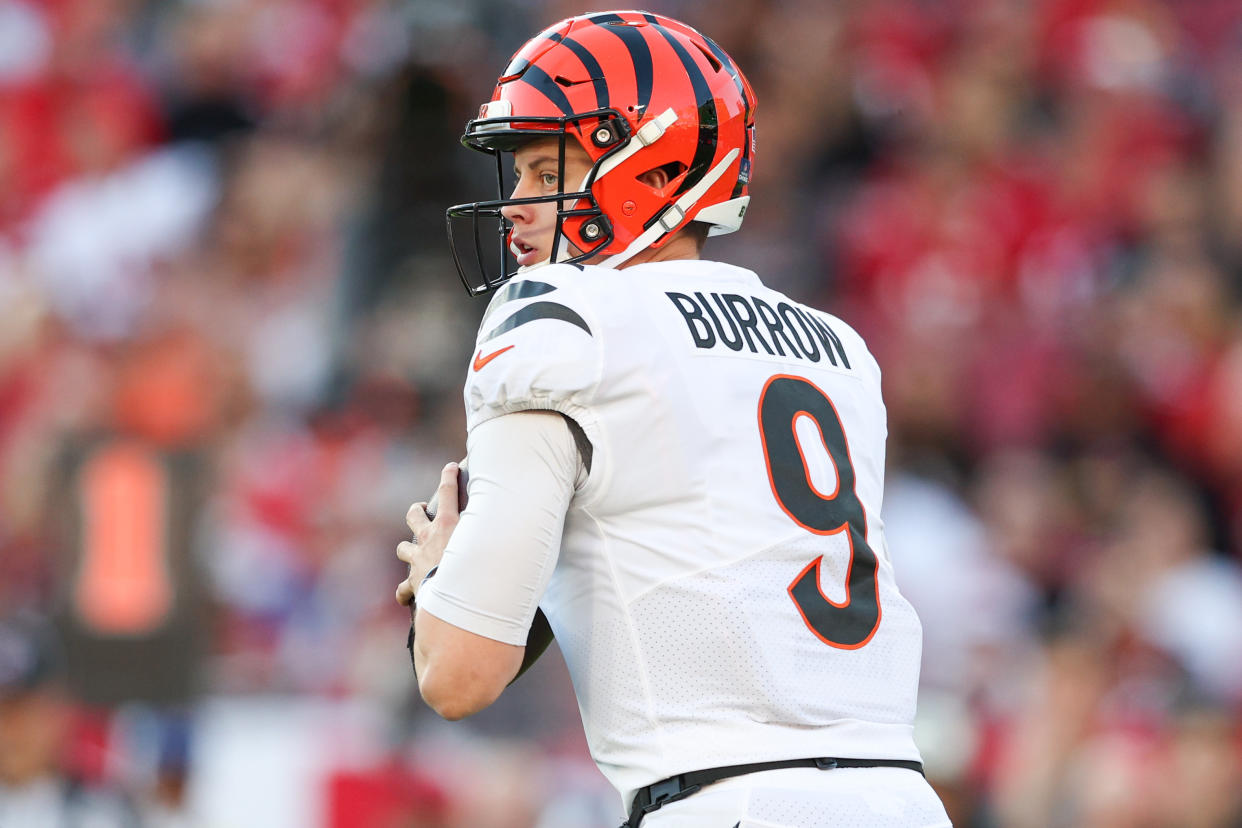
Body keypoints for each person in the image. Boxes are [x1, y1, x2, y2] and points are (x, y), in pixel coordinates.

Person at [394, 11, 951, 827]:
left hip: (725, 799)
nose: (514, 205)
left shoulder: (559, 319)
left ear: (653, 173)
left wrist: (444, 579)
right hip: (904, 798)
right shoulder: (837, 349)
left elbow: (458, 675)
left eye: (548, 167)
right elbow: (676, 548)